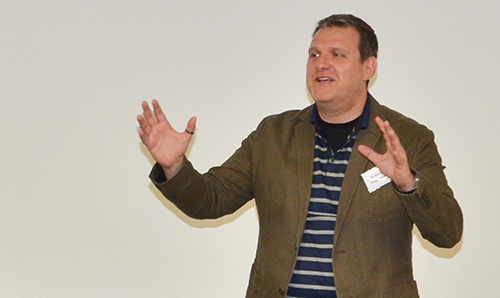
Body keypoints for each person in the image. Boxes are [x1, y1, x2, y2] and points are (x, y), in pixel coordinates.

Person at [137, 14, 463, 298]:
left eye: (337, 54)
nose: (321, 63)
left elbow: (448, 234)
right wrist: (174, 166)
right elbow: (210, 200)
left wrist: (409, 184)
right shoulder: (273, 134)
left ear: (369, 67)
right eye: (314, 54)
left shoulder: (408, 138)